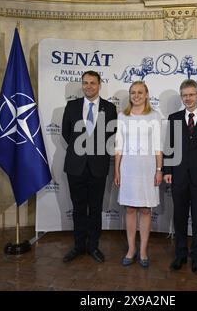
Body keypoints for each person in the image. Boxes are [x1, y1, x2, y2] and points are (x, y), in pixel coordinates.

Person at [163, 79, 197, 274]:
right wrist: (168, 171)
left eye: (191, 94)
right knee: (179, 218)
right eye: (185, 95)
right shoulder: (173, 118)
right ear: (182, 97)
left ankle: (196, 257)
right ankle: (180, 255)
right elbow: (169, 147)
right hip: (178, 177)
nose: (188, 98)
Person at [62, 70, 117, 263]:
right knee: (78, 208)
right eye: (85, 83)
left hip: (98, 167)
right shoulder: (71, 106)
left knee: (95, 208)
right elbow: (66, 134)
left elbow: (111, 135)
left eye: (92, 83)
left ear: (99, 85)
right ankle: (78, 246)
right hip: (76, 166)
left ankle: (93, 246)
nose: (88, 86)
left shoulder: (110, 108)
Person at [114, 81, 163, 268]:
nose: (136, 95)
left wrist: (159, 170)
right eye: (133, 92)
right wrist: (117, 170)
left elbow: (158, 146)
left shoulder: (154, 116)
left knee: (145, 209)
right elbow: (119, 146)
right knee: (130, 209)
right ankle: (131, 249)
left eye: (140, 92)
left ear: (147, 94)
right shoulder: (122, 116)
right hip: (128, 168)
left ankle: (143, 250)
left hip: (148, 168)